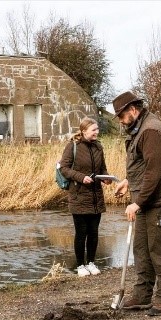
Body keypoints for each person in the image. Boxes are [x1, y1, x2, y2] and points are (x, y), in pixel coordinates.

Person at [113, 91, 161, 316]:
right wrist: (128, 181)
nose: (120, 121)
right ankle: (142, 295)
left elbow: (155, 172)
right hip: (147, 200)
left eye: (121, 116)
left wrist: (137, 202)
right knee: (142, 249)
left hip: (160, 201)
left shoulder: (151, 130)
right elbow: (143, 165)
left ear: (133, 110)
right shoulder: (140, 128)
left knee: (160, 251)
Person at [59, 118, 112, 277]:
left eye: (97, 129)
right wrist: (81, 177)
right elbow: (64, 168)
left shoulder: (99, 147)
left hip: (96, 196)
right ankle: (80, 265)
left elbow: (103, 168)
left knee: (94, 232)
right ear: (84, 131)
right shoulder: (72, 146)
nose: (97, 132)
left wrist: (107, 178)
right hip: (78, 196)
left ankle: (91, 262)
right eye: (93, 130)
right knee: (81, 232)